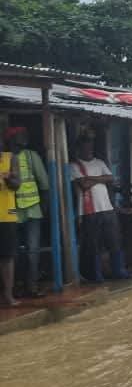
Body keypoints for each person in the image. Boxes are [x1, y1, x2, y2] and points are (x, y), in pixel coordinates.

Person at [70, 134, 132, 282]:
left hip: (107, 208)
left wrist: (92, 179)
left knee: (114, 240)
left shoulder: (99, 162)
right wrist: (100, 179)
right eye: (86, 146)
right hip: (88, 211)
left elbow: (110, 178)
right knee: (93, 245)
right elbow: (84, 185)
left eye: (90, 146)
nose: (89, 149)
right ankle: (96, 275)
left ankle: (119, 271)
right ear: (79, 148)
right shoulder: (74, 166)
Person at [7, 127, 50, 297]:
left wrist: (45, 209)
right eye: (20, 135)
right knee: (13, 253)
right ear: (11, 138)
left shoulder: (32, 156)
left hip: (32, 210)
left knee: (33, 251)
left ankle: (31, 287)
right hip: (12, 212)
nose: (25, 137)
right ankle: (15, 287)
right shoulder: (5, 158)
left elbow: (45, 185)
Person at [1, 137, 21, 306]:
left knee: (7, 257)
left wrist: (8, 178)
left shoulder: (10, 158)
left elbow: (16, 184)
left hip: (7, 215)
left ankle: (8, 296)